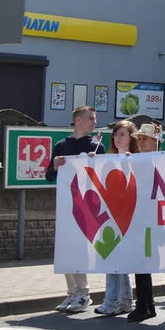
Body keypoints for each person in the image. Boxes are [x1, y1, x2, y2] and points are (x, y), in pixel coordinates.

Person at [48, 105, 105, 314]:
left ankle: (84, 293)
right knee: (65, 247)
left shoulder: (97, 145)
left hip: (86, 205)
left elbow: (102, 176)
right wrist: (54, 165)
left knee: (79, 248)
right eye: (91, 118)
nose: (94, 122)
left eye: (95, 119)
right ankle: (71, 292)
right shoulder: (62, 145)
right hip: (65, 203)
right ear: (78, 120)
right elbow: (48, 175)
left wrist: (95, 162)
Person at [93, 120, 138, 316]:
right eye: (116, 134)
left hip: (128, 216)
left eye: (122, 134)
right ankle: (121, 299)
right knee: (112, 259)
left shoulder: (137, 159)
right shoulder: (108, 159)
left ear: (130, 137)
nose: (118, 138)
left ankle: (115, 300)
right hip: (111, 215)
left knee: (118, 260)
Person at [127, 123, 163, 322]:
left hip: (160, 218)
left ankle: (148, 303)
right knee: (141, 261)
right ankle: (145, 303)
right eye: (138, 139)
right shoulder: (135, 161)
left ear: (155, 142)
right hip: (140, 217)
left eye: (144, 139)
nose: (139, 143)